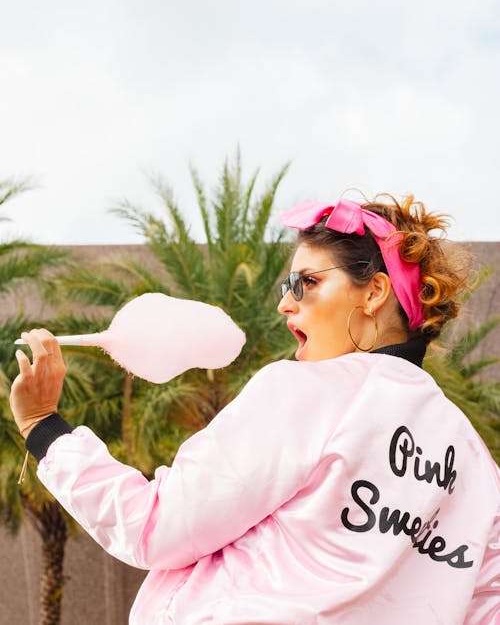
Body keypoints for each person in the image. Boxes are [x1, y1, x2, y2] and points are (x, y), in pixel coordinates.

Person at [9, 194, 499, 624]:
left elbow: (156, 527)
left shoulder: (305, 392)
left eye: (305, 282)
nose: (286, 304)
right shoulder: (475, 463)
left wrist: (44, 428)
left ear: (373, 292)